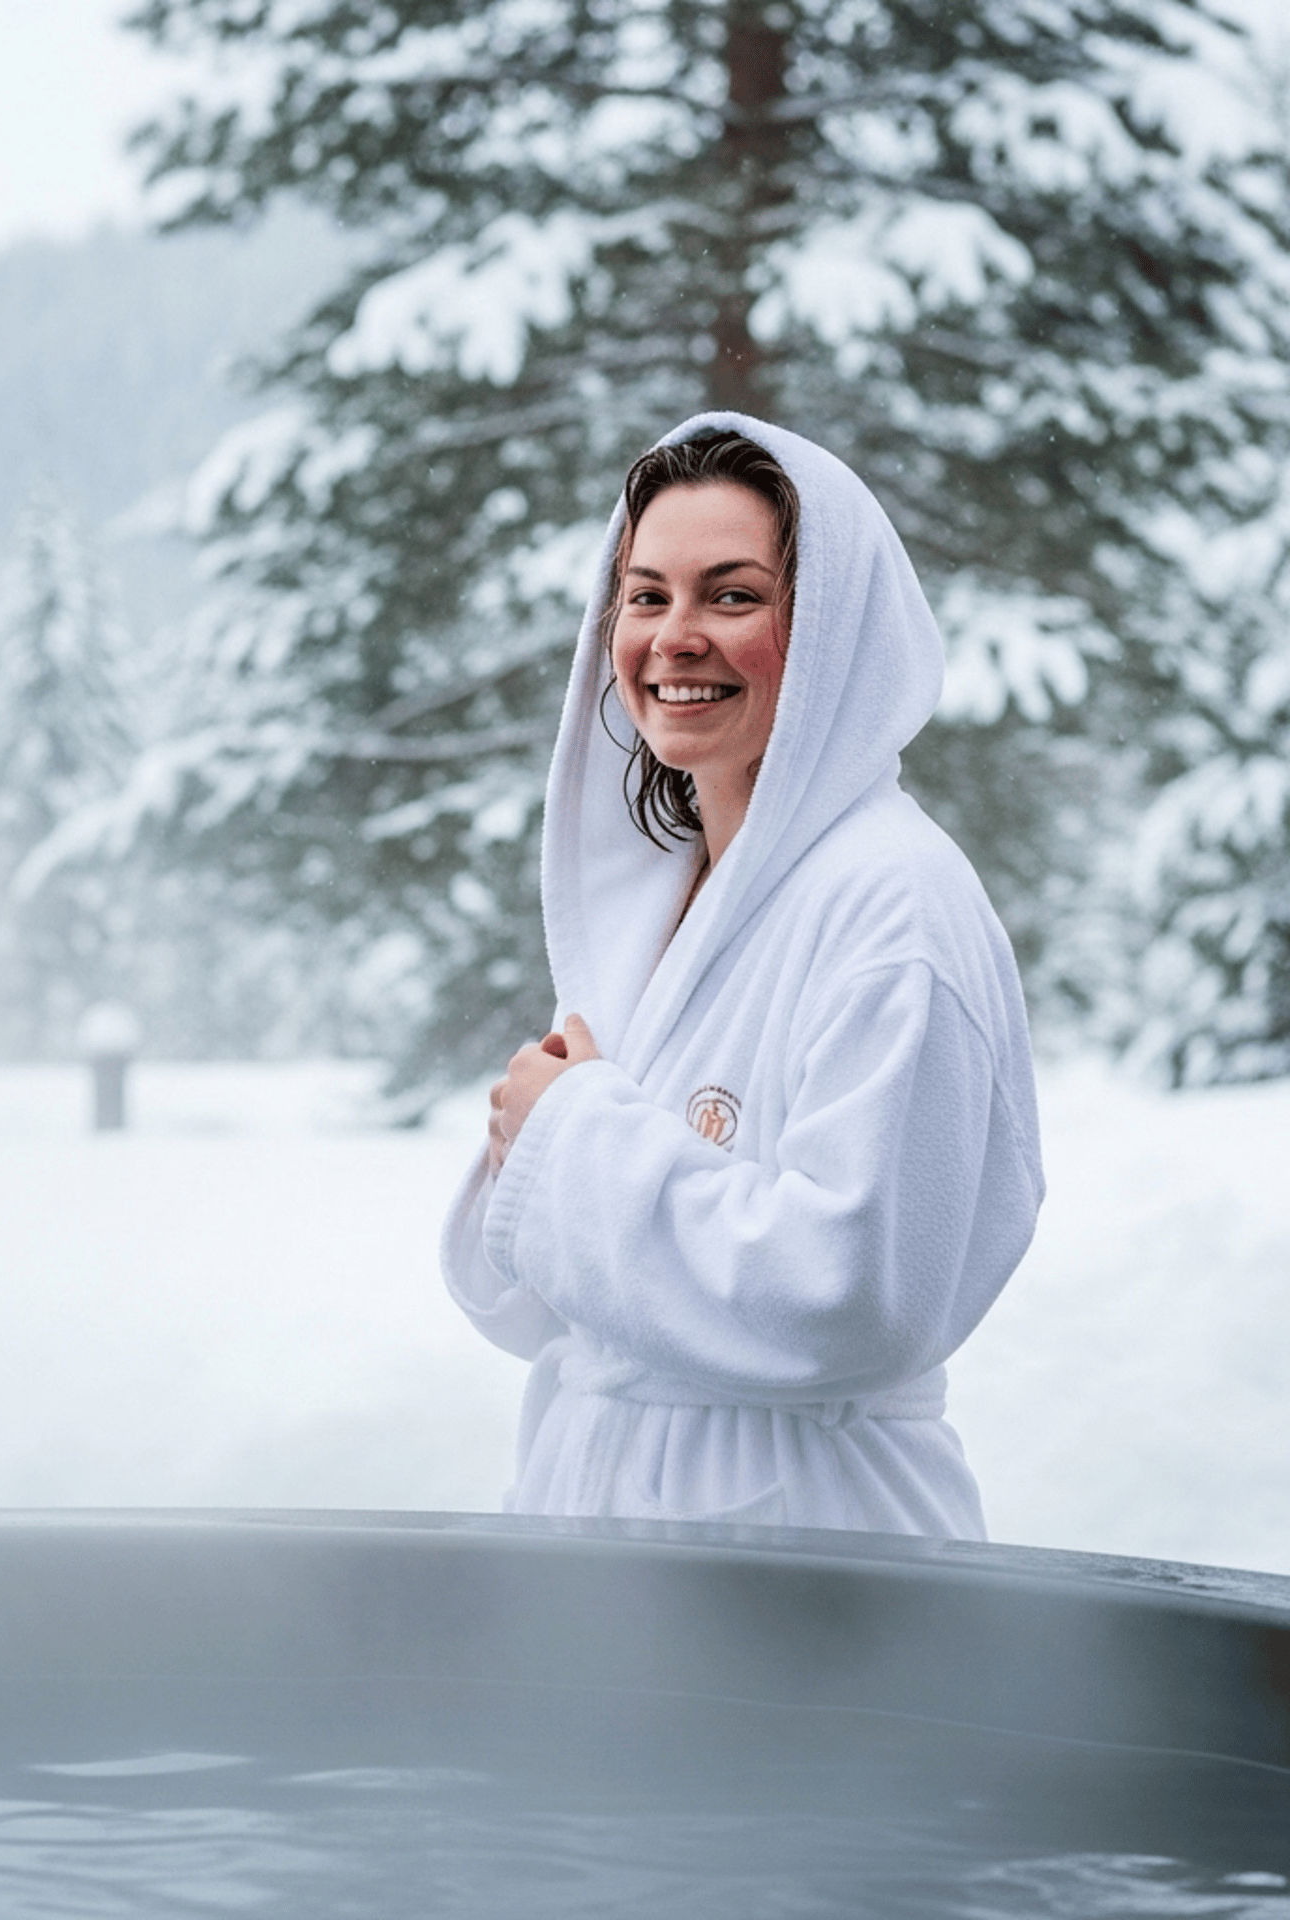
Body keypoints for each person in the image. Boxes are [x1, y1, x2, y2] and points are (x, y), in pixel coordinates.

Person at [440, 414, 1043, 1538]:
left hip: (809, 1552)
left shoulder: (892, 905)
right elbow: (551, 1307)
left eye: (732, 595)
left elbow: (852, 1296)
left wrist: (570, 1140)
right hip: (619, 1545)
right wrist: (538, 1149)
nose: (675, 636)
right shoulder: (670, 906)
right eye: (647, 594)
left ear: (829, 636)